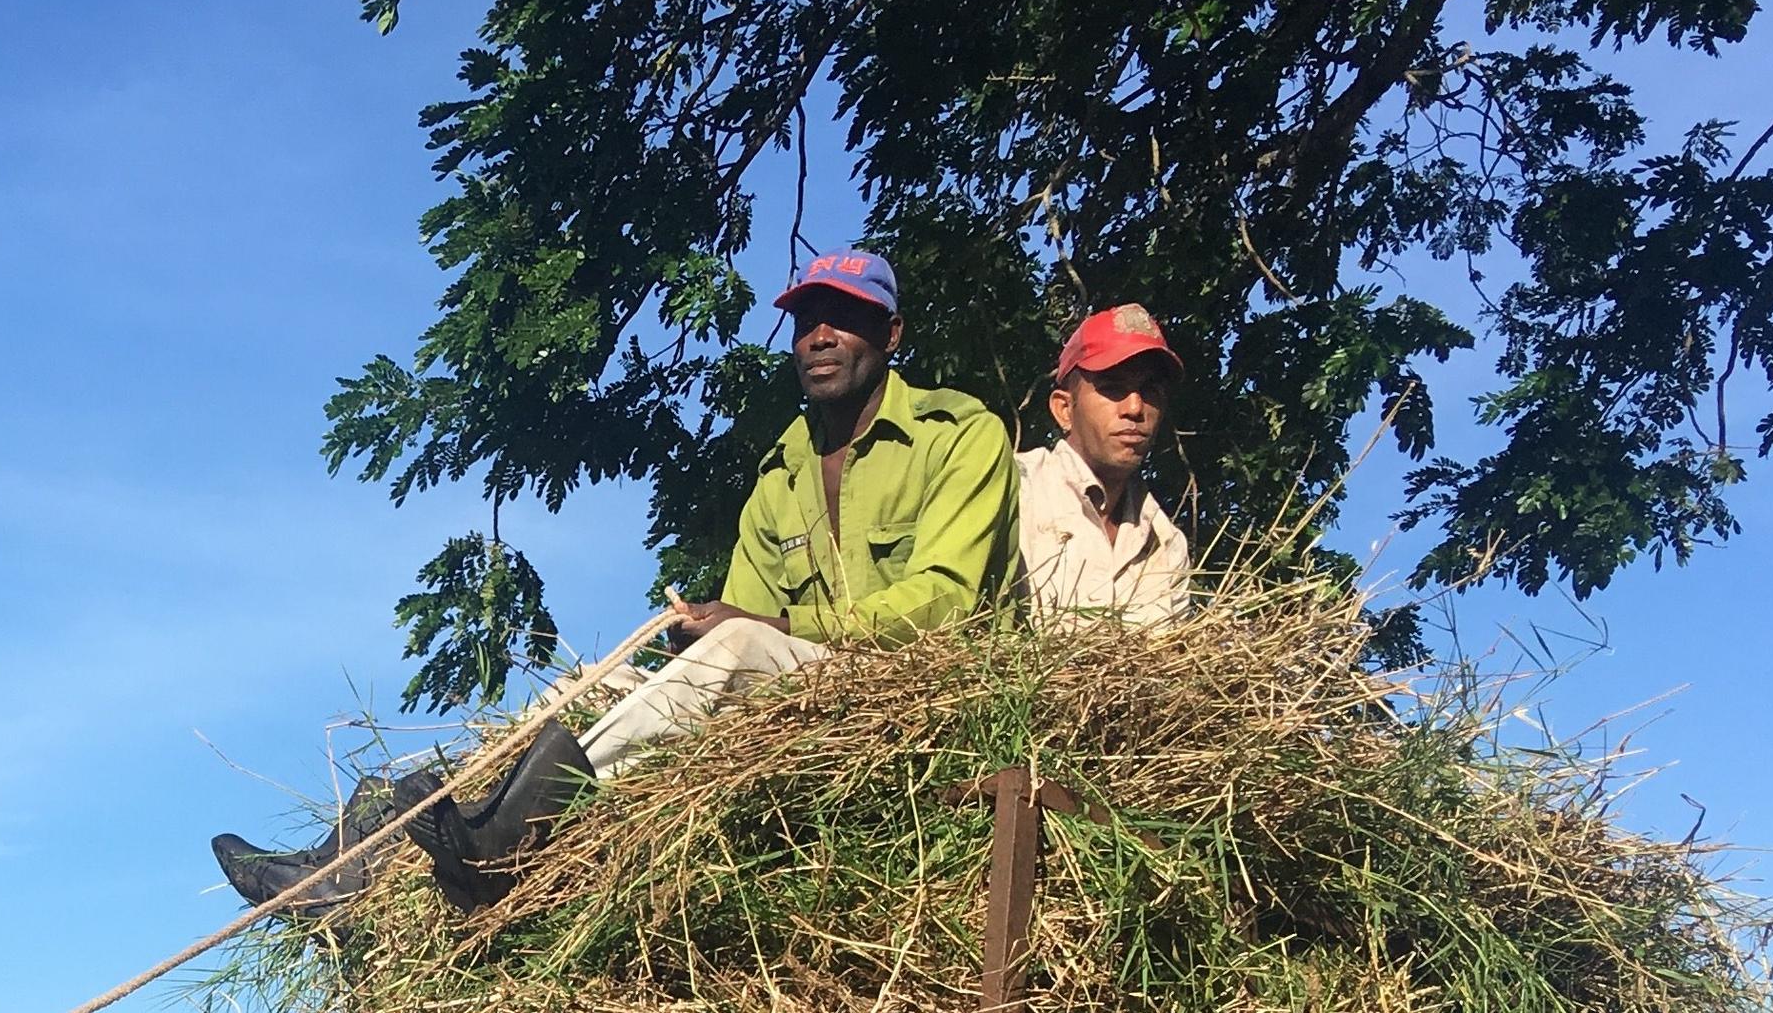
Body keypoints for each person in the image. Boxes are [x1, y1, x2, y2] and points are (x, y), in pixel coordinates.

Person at [210, 246, 1017, 912]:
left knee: (734, 646)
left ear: (893, 333)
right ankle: (352, 859)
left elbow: (943, 602)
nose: (821, 336)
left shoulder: (959, 433)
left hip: (902, 689)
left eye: (847, 319)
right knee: (605, 678)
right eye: (807, 320)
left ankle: (511, 838)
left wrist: (755, 631)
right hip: (791, 686)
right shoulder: (782, 473)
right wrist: (701, 627)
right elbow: (747, 618)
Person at [1016, 303, 1193, 626]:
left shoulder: (1166, 542)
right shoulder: (1016, 492)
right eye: (1113, 388)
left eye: (1150, 391)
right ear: (1064, 409)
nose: (1135, 407)